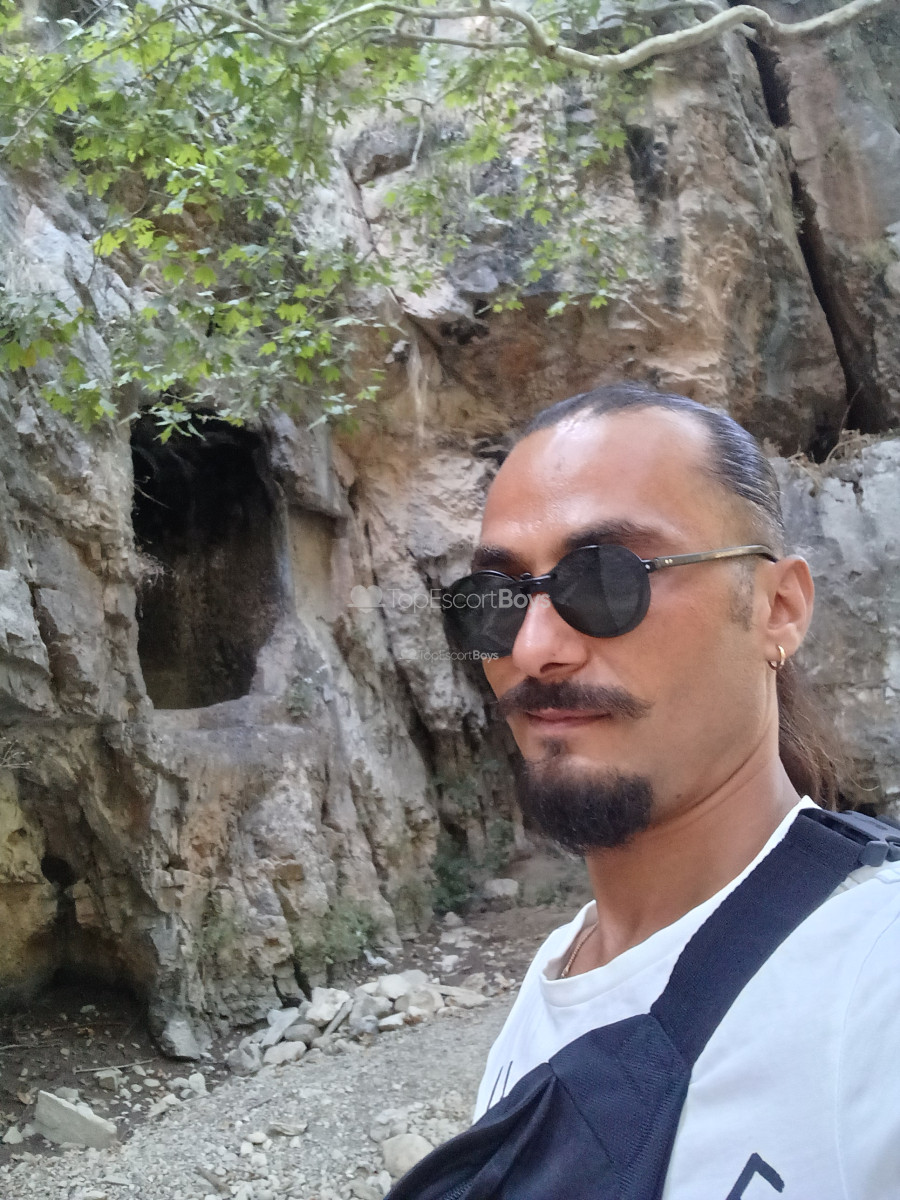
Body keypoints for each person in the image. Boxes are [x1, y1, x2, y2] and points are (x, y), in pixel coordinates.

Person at [440, 383, 900, 1198]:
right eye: (497, 600)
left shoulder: (875, 977)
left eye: (608, 579)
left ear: (778, 609)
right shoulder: (561, 966)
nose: (534, 649)